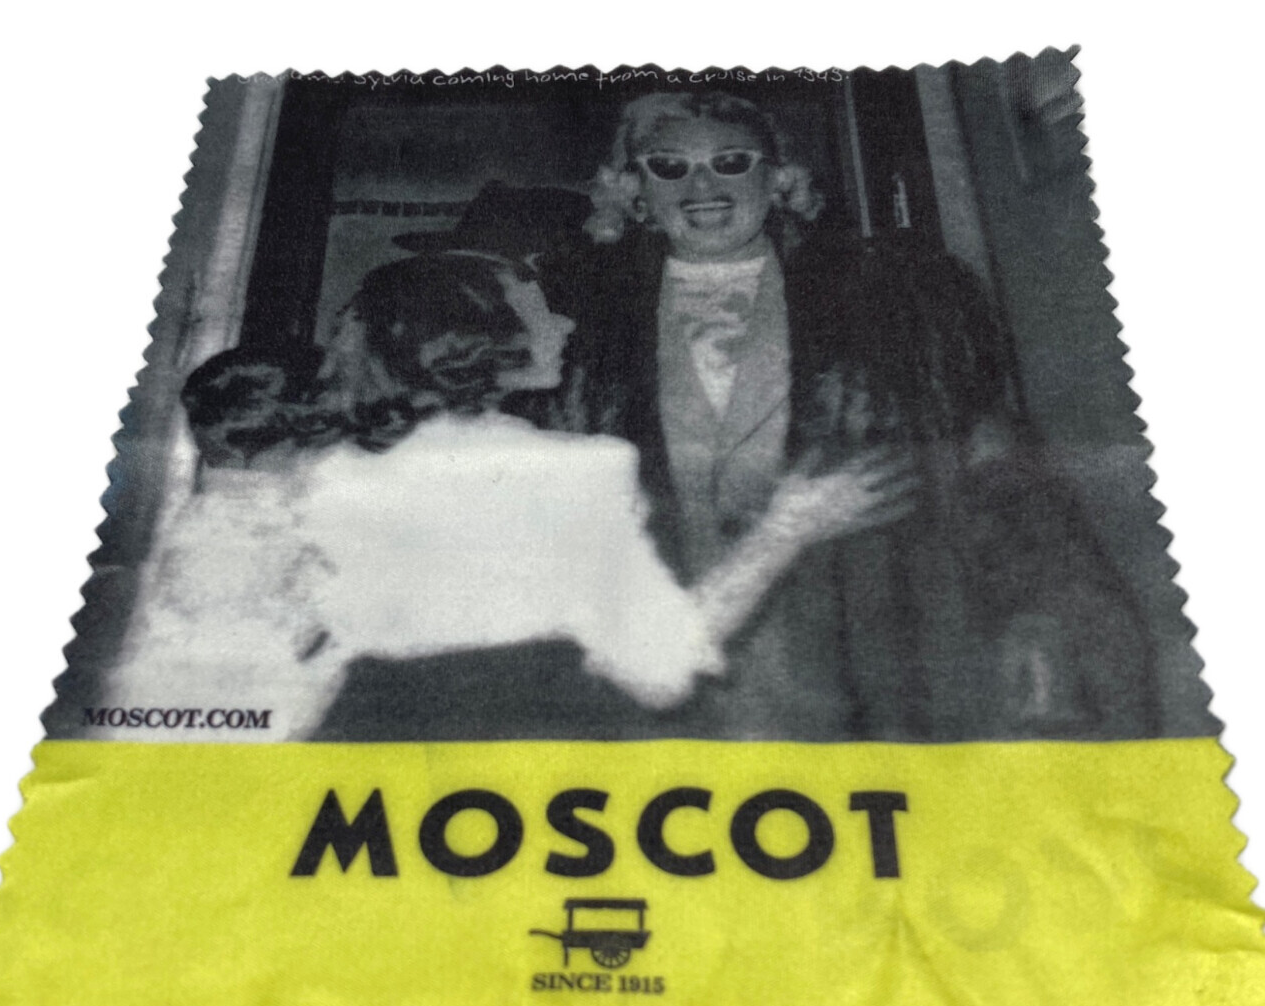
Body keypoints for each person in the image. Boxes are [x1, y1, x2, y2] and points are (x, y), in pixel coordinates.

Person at [91, 251, 915, 741]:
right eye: (541, 313)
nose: (565, 326)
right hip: (506, 768)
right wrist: (788, 528)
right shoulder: (571, 471)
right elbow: (660, 670)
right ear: (476, 341)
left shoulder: (312, 465)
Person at [557, 88, 1155, 740]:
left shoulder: (896, 302)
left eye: (731, 161)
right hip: (685, 705)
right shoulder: (596, 350)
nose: (702, 186)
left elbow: (997, 471)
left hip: (874, 671)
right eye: (669, 166)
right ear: (634, 192)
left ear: (776, 178)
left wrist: (1037, 618)